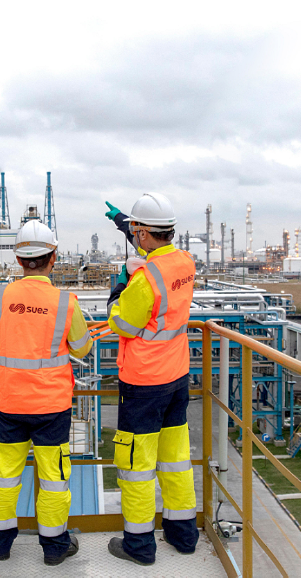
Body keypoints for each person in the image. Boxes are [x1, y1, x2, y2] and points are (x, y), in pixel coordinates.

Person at [0, 220, 94, 566]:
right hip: (51, 406)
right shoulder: (65, 303)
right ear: (53, 258)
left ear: (18, 260)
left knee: (5, 477)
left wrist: (2, 388)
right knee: (54, 478)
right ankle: (54, 547)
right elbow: (83, 349)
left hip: (9, 404)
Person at [103, 192, 199, 566]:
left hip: (144, 383)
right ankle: (183, 535)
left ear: (144, 235)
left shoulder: (143, 279)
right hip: (177, 375)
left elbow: (120, 323)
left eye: (136, 231)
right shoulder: (184, 262)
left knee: (136, 466)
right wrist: (123, 220)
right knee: (175, 459)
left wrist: (119, 284)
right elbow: (149, 240)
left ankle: (139, 546)